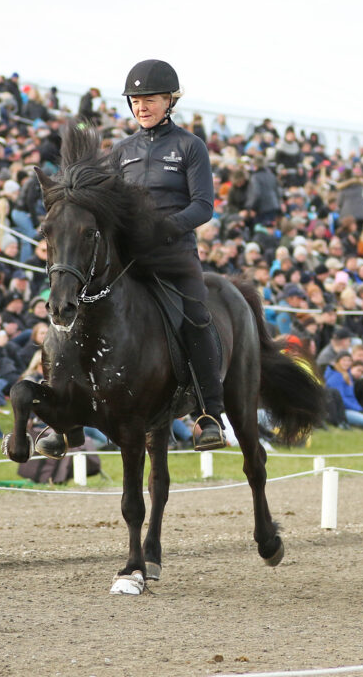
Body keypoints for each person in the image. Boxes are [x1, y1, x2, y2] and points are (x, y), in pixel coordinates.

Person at [107, 59, 225, 451]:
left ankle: (210, 415)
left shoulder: (190, 147)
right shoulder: (120, 151)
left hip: (175, 254)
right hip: (128, 258)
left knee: (197, 317)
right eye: (135, 101)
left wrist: (163, 228)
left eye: (150, 100)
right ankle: (65, 413)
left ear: (169, 101)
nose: (142, 107)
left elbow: (203, 207)